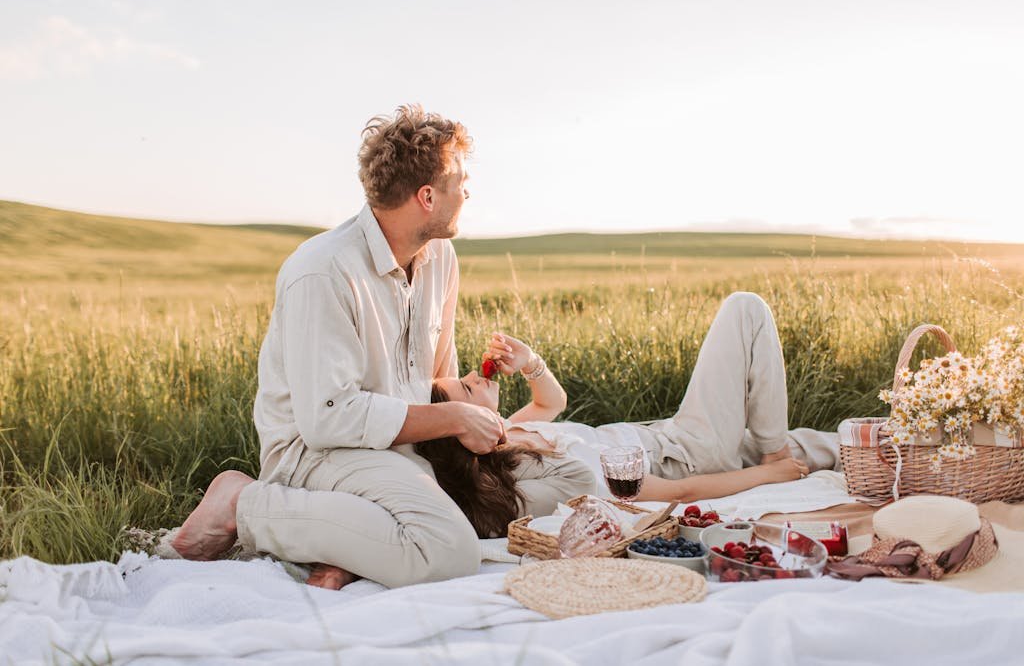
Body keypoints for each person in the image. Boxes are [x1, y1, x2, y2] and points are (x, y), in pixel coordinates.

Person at [171, 105, 594, 590]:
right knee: (447, 550)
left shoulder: (440, 258)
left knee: (574, 481)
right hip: (320, 451)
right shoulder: (323, 271)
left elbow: (436, 377)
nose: (469, 192)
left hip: (406, 446)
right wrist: (457, 419)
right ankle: (243, 503)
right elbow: (329, 419)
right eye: (461, 181)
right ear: (428, 196)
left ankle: (356, 539)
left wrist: (473, 406)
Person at [423, 292, 840, 508]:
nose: (475, 376)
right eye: (465, 388)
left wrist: (530, 361)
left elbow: (551, 403)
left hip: (668, 436)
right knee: (745, 309)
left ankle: (896, 447)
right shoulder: (549, 475)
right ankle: (773, 451)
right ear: (464, 432)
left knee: (831, 445)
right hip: (689, 455)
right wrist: (769, 474)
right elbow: (683, 493)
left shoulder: (509, 433)